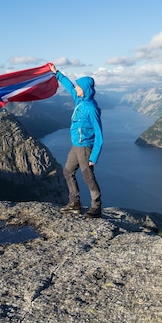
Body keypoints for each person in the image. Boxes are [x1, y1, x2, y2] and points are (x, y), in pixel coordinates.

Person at [49, 63, 103, 218]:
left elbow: (99, 134)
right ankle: (75, 203)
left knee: (88, 177)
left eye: (79, 87)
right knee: (67, 172)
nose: (76, 88)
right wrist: (56, 73)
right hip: (76, 146)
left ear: (85, 89)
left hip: (86, 147)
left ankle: (96, 207)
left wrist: (94, 156)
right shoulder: (79, 101)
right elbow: (69, 86)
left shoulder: (91, 108)